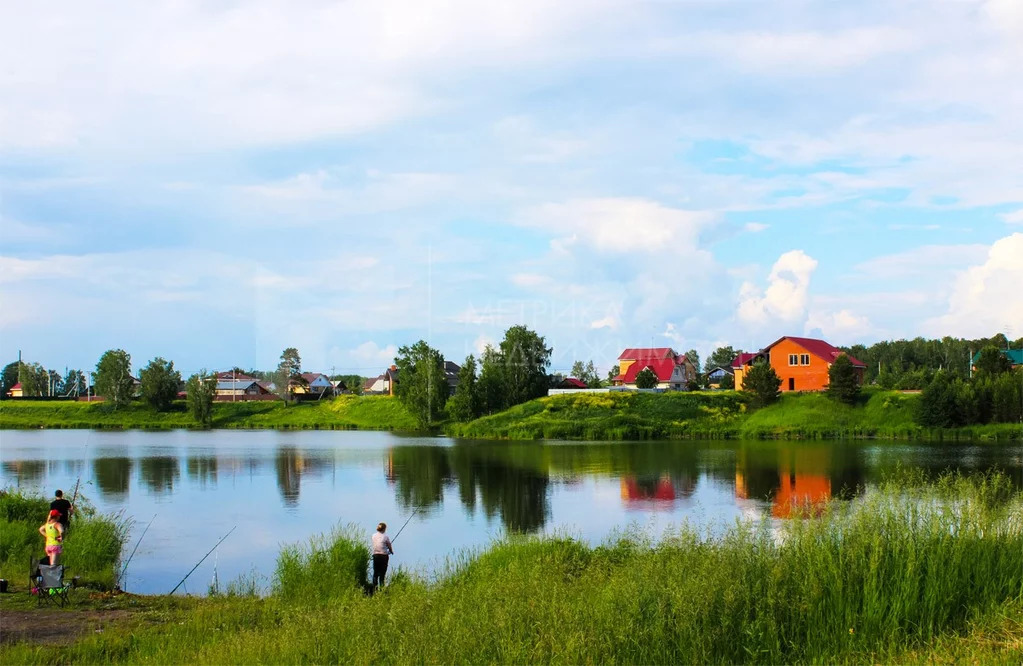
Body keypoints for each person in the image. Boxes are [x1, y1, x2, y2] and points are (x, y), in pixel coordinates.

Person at [371, 522, 393, 590]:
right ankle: (382, 589)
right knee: (382, 574)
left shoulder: (373, 535)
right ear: (384, 529)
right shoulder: (385, 537)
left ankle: (374, 589)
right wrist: (391, 551)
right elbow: (389, 545)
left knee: (375, 573)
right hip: (383, 556)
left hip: (375, 555)